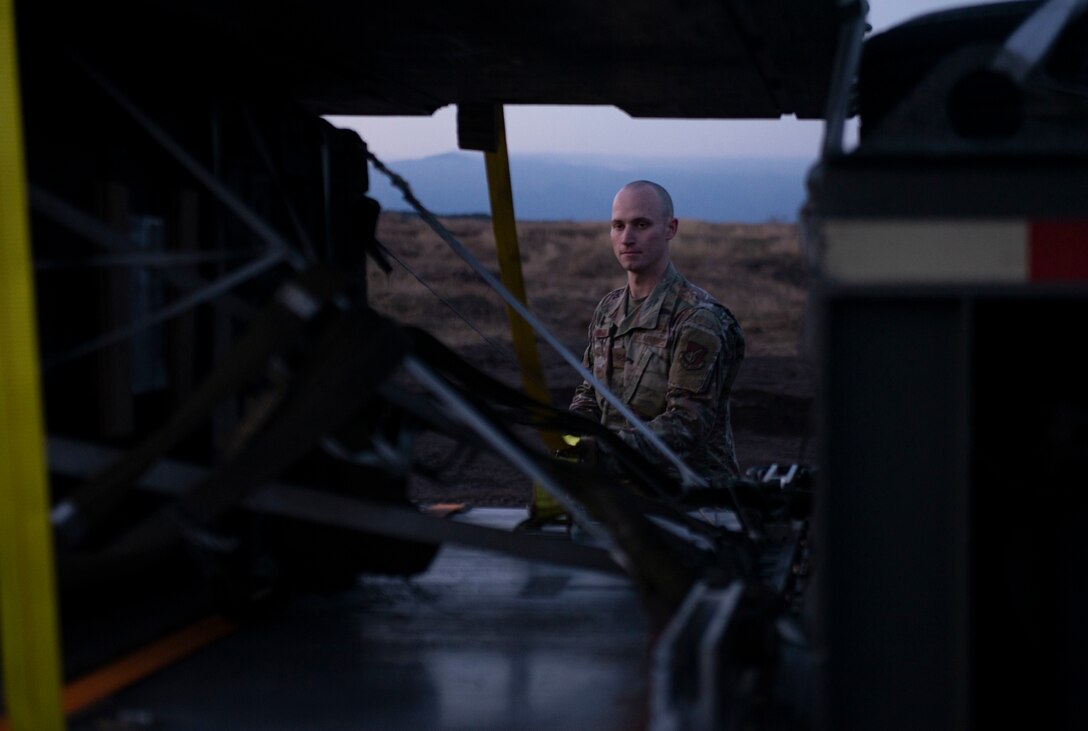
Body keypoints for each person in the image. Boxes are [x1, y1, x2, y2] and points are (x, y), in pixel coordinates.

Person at [568, 180, 745, 487]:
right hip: (618, 494)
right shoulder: (608, 310)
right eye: (618, 225)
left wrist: (601, 453)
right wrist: (571, 441)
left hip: (692, 501)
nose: (627, 238)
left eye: (641, 224)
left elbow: (685, 426)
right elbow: (589, 395)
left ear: (670, 228)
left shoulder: (698, 319)